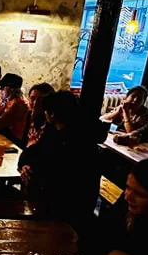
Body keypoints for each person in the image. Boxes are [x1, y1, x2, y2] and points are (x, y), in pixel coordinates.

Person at [18, 90, 99, 228]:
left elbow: (54, 173)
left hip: (67, 209)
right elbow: (31, 152)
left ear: (52, 114)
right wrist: (25, 165)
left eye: (46, 111)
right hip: (52, 199)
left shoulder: (79, 142)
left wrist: (32, 167)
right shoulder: (54, 130)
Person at [24, 82, 54, 148]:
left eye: (41, 100)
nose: (35, 103)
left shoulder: (51, 121)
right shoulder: (29, 115)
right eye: (32, 98)